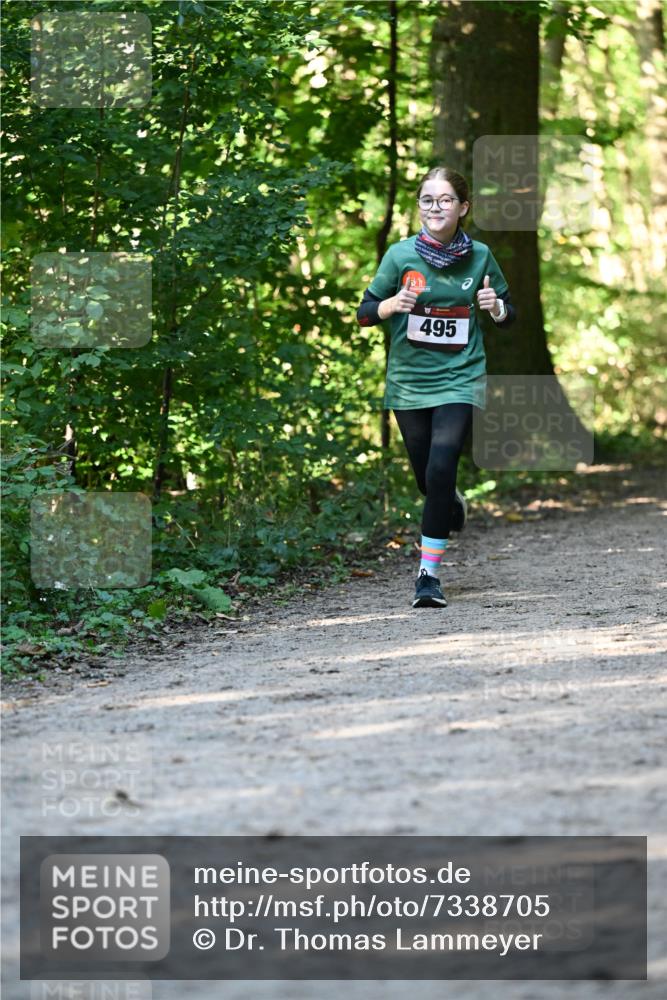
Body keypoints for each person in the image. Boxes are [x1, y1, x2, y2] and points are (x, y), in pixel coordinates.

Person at [356, 166, 516, 608]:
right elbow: (364, 313)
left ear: (463, 207)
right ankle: (450, 503)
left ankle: (427, 576)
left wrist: (496, 307)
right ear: (419, 206)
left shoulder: (480, 256)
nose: (435, 207)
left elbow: (508, 315)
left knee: (442, 468)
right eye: (427, 200)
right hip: (409, 382)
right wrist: (391, 304)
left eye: (445, 200)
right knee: (429, 479)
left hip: (460, 377)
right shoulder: (399, 255)